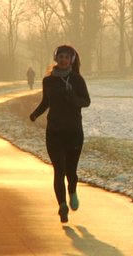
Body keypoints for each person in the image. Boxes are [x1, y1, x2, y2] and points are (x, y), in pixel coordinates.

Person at [29, 45, 91, 223]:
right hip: (54, 131)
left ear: (71, 60)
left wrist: (73, 99)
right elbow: (45, 102)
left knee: (71, 171)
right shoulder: (48, 81)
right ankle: (62, 205)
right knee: (59, 169)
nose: (63, 60)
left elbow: (86, 101)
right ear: (56, 59)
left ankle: (72, 190)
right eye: (60, 56)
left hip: (74, 132)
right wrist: (35, 114)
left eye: (66, 57)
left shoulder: (77, 80)